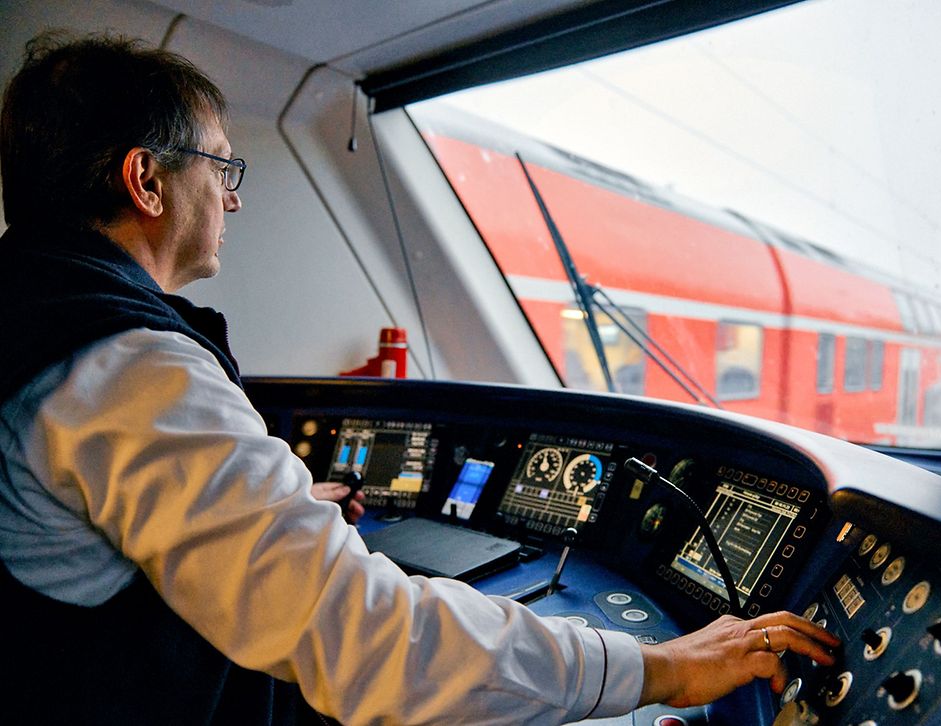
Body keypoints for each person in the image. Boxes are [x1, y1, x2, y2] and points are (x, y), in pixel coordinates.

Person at [0, 33, 839, 725]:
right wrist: (658, 669)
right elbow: (371, 637)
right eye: (222, 170)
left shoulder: (39, 320)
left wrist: (273, 523)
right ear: (146, 180)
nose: (233, 200)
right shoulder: (127, 364)